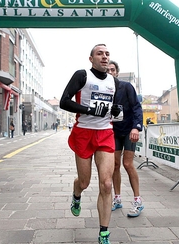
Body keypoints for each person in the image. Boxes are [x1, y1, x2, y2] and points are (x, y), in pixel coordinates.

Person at [59, 44, 120, 244]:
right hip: (84, 133)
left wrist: (118, 112)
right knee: (84, 182)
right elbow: (64, 101)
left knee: (107, 183)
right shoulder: (82, 75)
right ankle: (76, 194)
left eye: (107, 54)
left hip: (105, 133)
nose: (104, 56)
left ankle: (104, 232)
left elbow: (115, 109)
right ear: (91, 58)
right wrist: (90, 110)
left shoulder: (114, 81)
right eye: (99, 53)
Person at [107, 60, 144, 217]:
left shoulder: (126, 87)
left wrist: (136, 127)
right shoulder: (104, 90)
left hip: (129, 130)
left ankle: (138, 201)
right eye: (107, 70)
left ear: (116, 72)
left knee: (127, 164)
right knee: (115, 165)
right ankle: (117, 198)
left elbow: (136, 106)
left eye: (112, 70)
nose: (109, 72)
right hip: (113, 132)